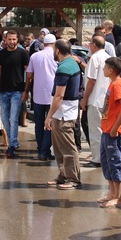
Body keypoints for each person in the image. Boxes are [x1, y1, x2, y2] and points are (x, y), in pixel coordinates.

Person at [45, 39, 82, 190]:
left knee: (67, 148)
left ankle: (73, 178)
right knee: (59, 148)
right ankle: (63, 176)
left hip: (64, 114)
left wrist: (49, 116)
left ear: (58, 51)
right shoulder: (72, 64)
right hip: (65, 112)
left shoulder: (64, 67)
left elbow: (59, 95)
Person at [97, 57, 121, 208]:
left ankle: (118, 196)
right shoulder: (113, 84)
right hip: (107, 130)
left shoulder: (118, 85)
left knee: (114, 163)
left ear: (111, 70)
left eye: (105, 68)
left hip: (113, 132)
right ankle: (112, 193)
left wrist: (115, 128)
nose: (103, 70)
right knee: (106, 163)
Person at [0, 30, 29, 158]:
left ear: (17, 40)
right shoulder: (1, 54)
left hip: (17, 91)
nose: (12, 42)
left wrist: (26, 90)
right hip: (4, 90)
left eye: (14, 39)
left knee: (13, 119)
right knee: (4, 118)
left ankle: (12, 145)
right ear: (5, 40)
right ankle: (13, 140)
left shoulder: (23, 53)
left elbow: (29, 73)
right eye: (9, 39)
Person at [24, 33, 58, 161]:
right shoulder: (56, 57)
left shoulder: (35, 56)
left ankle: (40, 148)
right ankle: (45, 150)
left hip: (37, 94)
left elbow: (29, 75)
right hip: (53, 95)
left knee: (39, 123)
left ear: (43, 44)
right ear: (54, 44)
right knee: (50, 123)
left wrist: (26, 90)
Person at [81, 35, 111, 168]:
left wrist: (85, 98)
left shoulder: (95, 58)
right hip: (105, 98)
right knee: (103, 129)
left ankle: (98, 158)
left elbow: (91, 80)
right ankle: (103, 155)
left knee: (95, 130)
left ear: (94, 45)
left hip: (95, 99)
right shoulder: (108, 57)